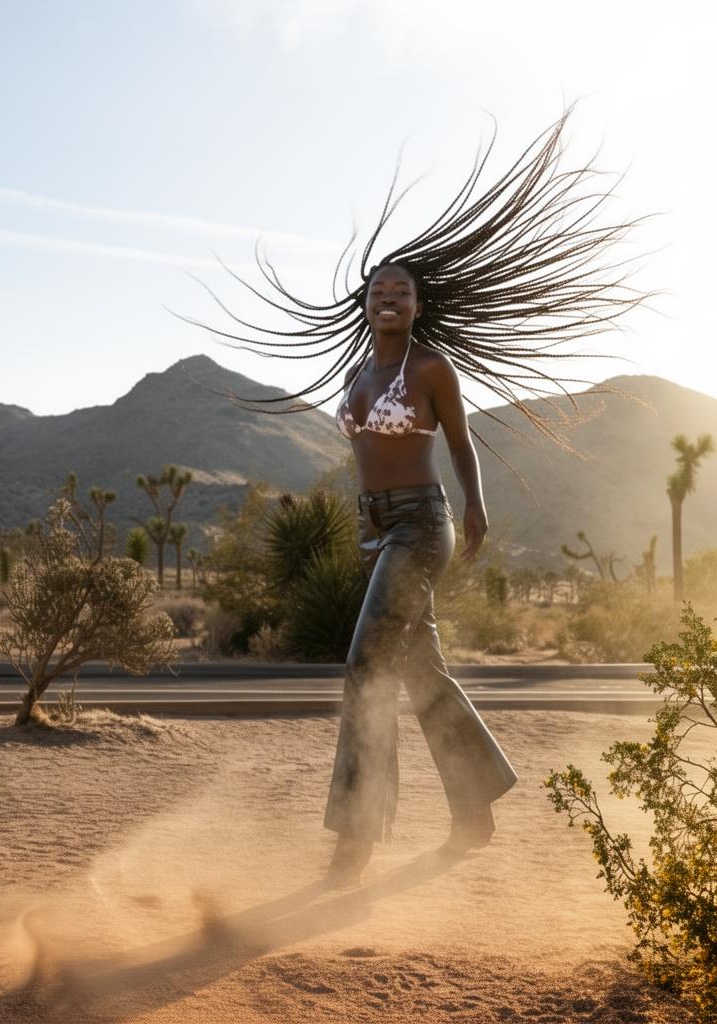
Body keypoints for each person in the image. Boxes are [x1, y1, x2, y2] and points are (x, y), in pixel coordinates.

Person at [183, 106, 650, 887]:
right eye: (378, 289)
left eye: (402, 288)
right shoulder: (357, 377)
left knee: (366, 665)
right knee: (420, 673)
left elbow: (461, 443)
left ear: (419, 305)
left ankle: (356, 839)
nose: (389, 296)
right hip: (374, 531)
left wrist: (477, 507)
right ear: (365, 306)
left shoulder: (431, 370)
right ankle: (476, 808)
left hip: (421, 526)